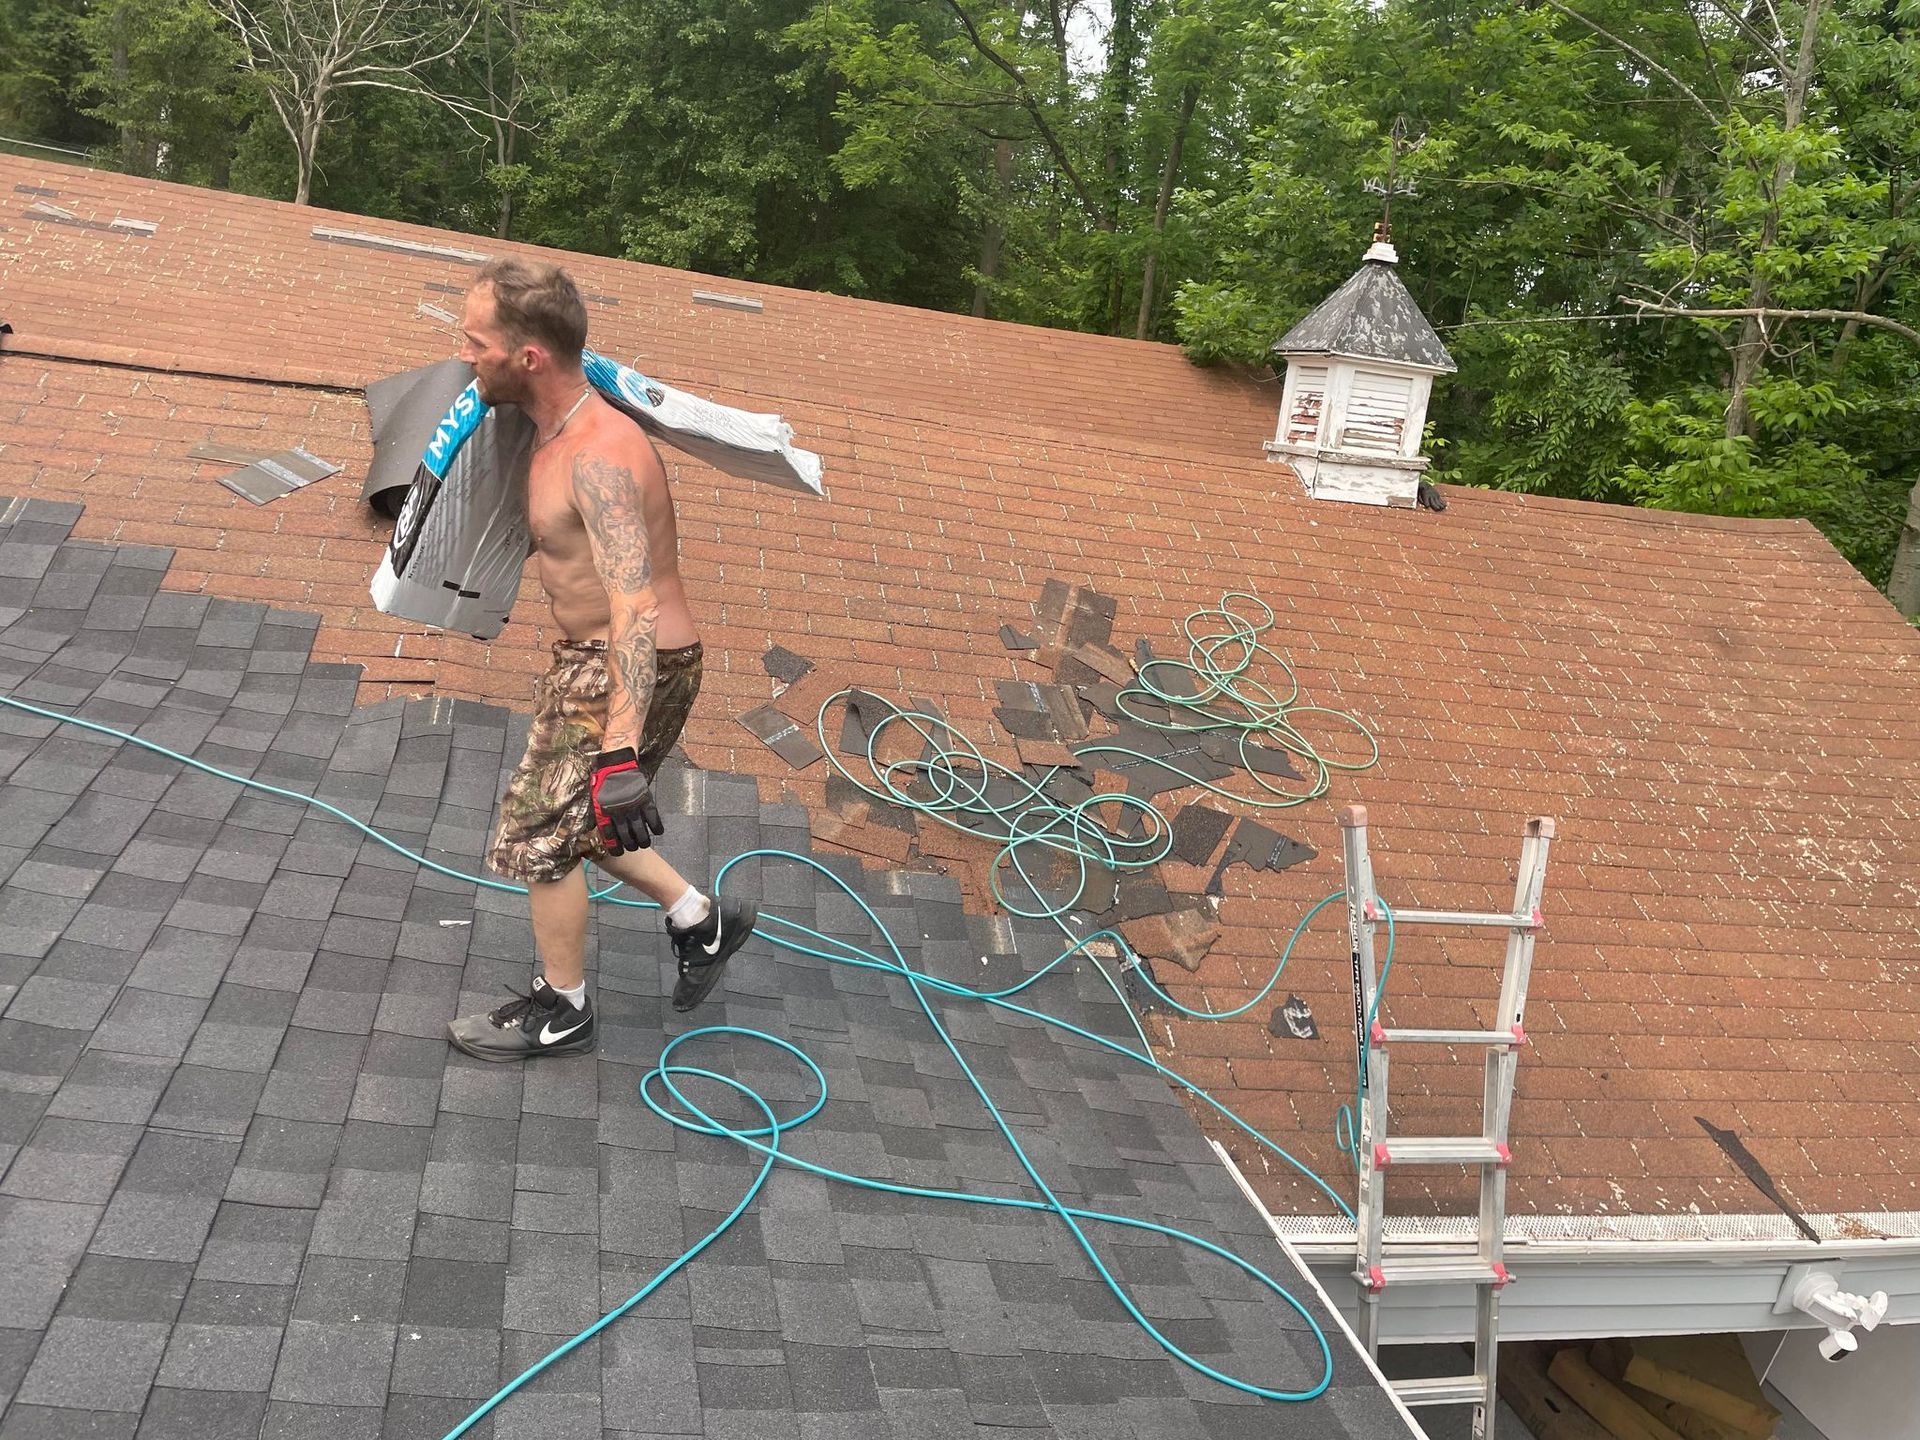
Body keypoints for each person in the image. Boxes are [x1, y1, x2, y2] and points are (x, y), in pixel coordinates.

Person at [444, 257, 756, 1062]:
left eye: (476, 342)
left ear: (530, 357)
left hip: (624, 660)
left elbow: (635, 608)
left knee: (540, 833)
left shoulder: (600, 454)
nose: (463, 354)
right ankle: (700, 919)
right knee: (588, 824)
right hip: (592, 655)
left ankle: (565, 1009)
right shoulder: (544, 419)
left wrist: (619, 752)